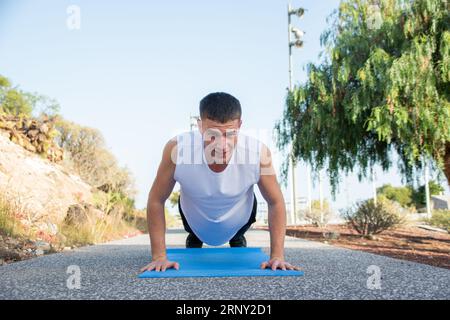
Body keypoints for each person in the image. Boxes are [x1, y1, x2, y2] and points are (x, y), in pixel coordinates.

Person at [140, 92, 301, 272]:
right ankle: (195, 236)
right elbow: (156, 199)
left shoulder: (259, 153)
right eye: (213, 135)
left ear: (239, 126)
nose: (221, 145)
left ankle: (237, 236)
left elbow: (275, 201)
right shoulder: (177, 149)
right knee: (191, 210)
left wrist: (277, 256)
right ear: (200, 126)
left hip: (240, 216)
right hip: (194, 216)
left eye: (229, 134)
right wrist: (159, 256)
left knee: (250, 204)